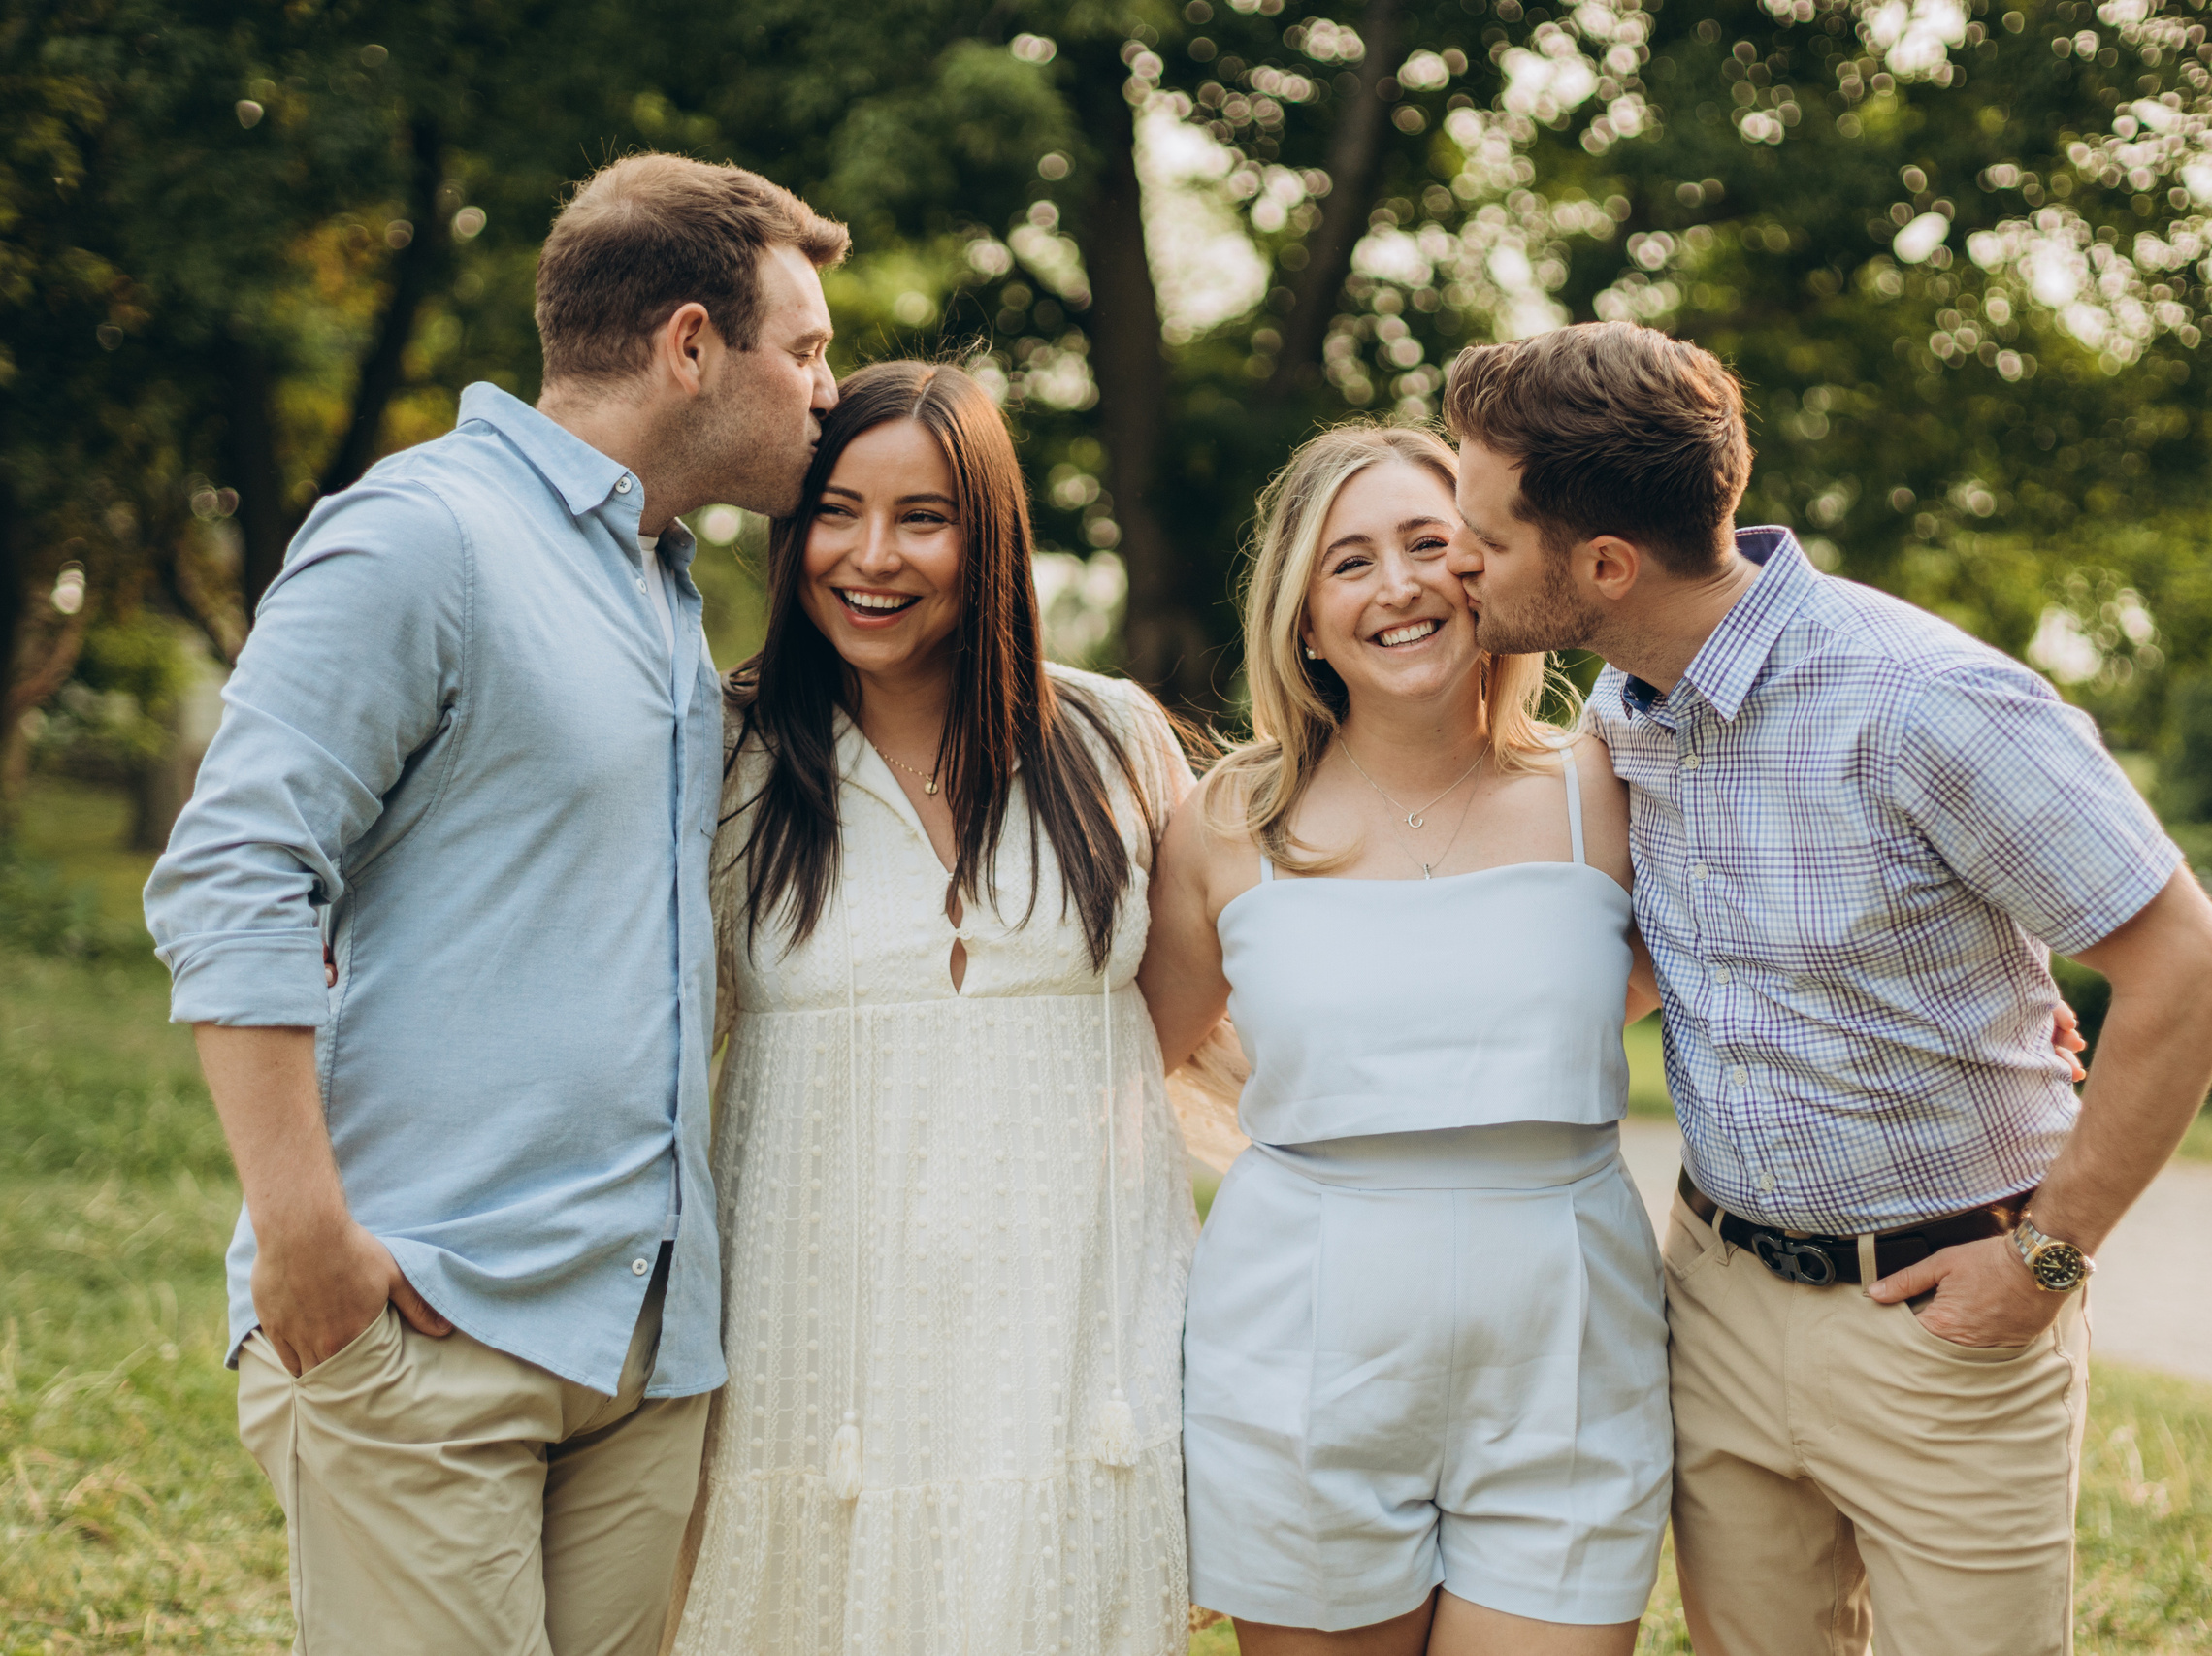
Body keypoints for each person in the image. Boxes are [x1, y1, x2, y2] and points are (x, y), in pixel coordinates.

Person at [1441, 320, 2212, 1656]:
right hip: (1715, 1292)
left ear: (1602, 562)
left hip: (1941, 1324)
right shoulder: (1625, 702)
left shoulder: (1930, 702)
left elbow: (2192, 966)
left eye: (1481, 530)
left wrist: (2046, 1254)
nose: (1458, 554)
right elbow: (1668, 965)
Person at [142, 154, 847, 1655]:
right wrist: (305, 1241)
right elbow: (236, 866)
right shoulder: (426, 536)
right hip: (425, 1321)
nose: (826, 390)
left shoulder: (663, 584)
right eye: (807, 349)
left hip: (641, 1349)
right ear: (689, 343)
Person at [667, 361, 1200, 1654]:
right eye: (838, 511)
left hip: (1069, 1323)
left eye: (923, 516)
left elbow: (1173, 1020)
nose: (873, 555)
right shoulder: (722, 752)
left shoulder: (1114, 737)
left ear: (990, 535)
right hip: (819, 1333)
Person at [1138, 424, 1673, 1656]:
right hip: (1297, 1349)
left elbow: (1740, 973)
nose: (1401, 587)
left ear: (1487, 568)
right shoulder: (1232, 821)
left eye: (1433, 544)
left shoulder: (1608, 786)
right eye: (1350, 563)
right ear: (1303, 620)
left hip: (1568, 1347)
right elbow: (1131, 1063)